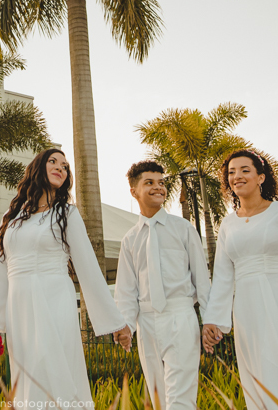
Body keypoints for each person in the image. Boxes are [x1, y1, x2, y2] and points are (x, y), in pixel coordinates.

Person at [0, 148, 132, 409]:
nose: (61, 168)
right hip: (20, 310)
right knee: (27, 376)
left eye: (65, 166)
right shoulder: (13, 219)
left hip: (54, 300)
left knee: (53, 367)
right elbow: (1, 274)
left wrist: (116, 321)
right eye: (53, 162)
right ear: (38, 168)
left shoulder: (67, 214)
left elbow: (88, 269)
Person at [200, 149, 278, 410]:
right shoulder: (227, 225)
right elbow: (223, 276)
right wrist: (213, 319)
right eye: (231, 173)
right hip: (246, 307)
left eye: (245, 170)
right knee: (258, 369)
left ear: (261, 178)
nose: (237, 177)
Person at [113, 161, 210, 410]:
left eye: (161, 182)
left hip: (180, 315)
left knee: (181, 397)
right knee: (159, 398)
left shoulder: (183, 229)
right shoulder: (130, 239)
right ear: (134, 191)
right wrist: (125, 327)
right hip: (146, 323)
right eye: (149, 183)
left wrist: (210, 320)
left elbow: (202, 278)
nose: (159, 188)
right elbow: (126, 289)